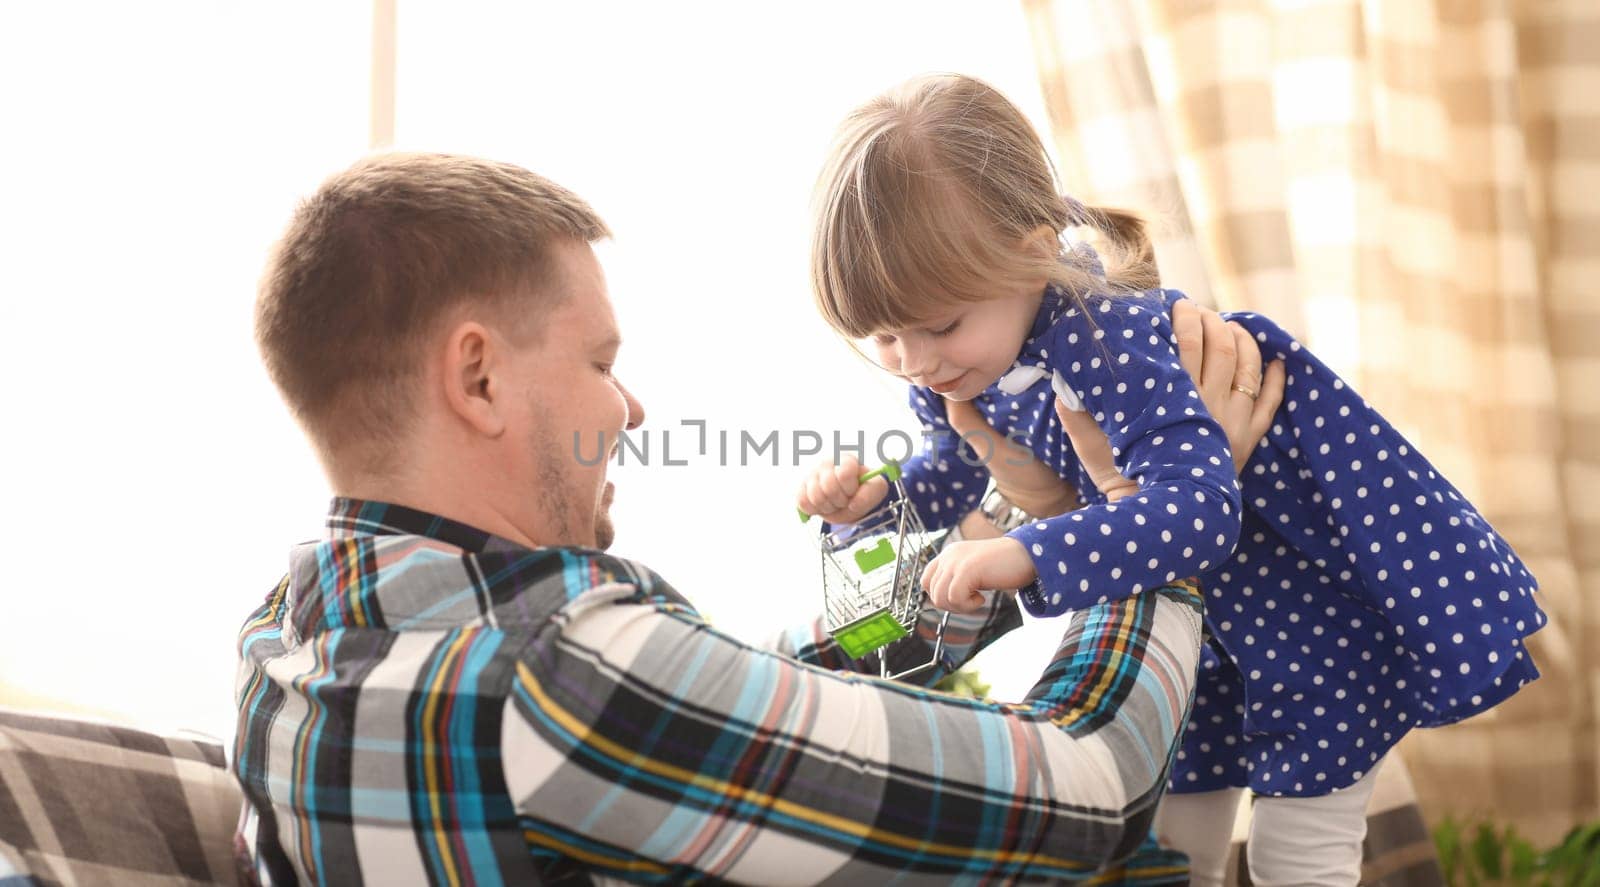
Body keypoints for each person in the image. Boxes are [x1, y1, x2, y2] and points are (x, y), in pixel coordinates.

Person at [234, 151, 1271, 885]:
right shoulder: (557, 673)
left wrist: (1017, 525)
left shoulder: (291, 634)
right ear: (479, 377)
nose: (630, 406)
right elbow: (1087, 796)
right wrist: (1142, 529)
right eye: (601, 361)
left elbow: (784, 675)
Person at [795, 73, 1546, 886]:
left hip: (1306, 619)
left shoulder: (1108, 337)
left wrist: (1029, 550)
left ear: (1034, 253)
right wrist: (876, 508)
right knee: (1174, 846)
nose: (917, 363)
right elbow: (955, 475)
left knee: (1298, 855)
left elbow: (1197, 514)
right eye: (882, 337)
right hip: (1199, 631)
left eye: (938, 325)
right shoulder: (964, 363)